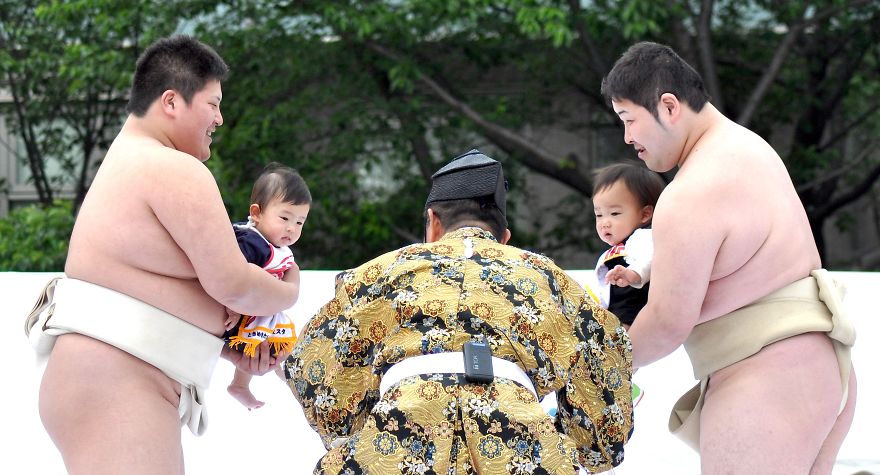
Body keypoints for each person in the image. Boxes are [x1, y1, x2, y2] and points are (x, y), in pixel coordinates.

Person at [23, 35, 298, 474]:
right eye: (213, 104)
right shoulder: (172, 168)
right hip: (116, 382)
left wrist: (230, 349)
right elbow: (235, 286)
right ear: (171, 101)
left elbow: (148, 286)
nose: (220, 119)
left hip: (109, 378)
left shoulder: (132, 160)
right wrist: (289, 290)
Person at [282, 149, 633, 474]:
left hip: (397, 435)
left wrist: (357, 429)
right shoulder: (548, 277)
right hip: (523, 437)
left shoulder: (378, 272)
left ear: (433, 223)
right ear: (504, 238)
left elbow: (312, 371)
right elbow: (606, 380)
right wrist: (572, 443)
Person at [601, 41, 856, 474]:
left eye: (630, 120)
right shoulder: (748, 148)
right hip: (816, 370)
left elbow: (667, 321)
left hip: (770, 380)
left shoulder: (692, 191)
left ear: (668, 106)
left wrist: (603, 364)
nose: (627, 138)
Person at [224, 163, 311, 409]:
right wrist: (231, 304)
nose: (291, 228)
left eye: (300, 222)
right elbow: (229, 275)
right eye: (284, 218)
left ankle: (252, 382)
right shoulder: (252, 242)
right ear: (257, 212)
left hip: (259, 310)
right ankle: (243, 384)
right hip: (240, 312)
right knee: (271, 345)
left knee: (277, 343)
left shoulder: (275, 247)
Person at [590, 162, 665, 328]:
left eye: (615, 213)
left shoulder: (643, 237)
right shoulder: (615, 249)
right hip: (617, 313)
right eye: (599, 214)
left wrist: (633, 274)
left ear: (645, 214)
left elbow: (651, 259)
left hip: (633, 313)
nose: (604, 222)